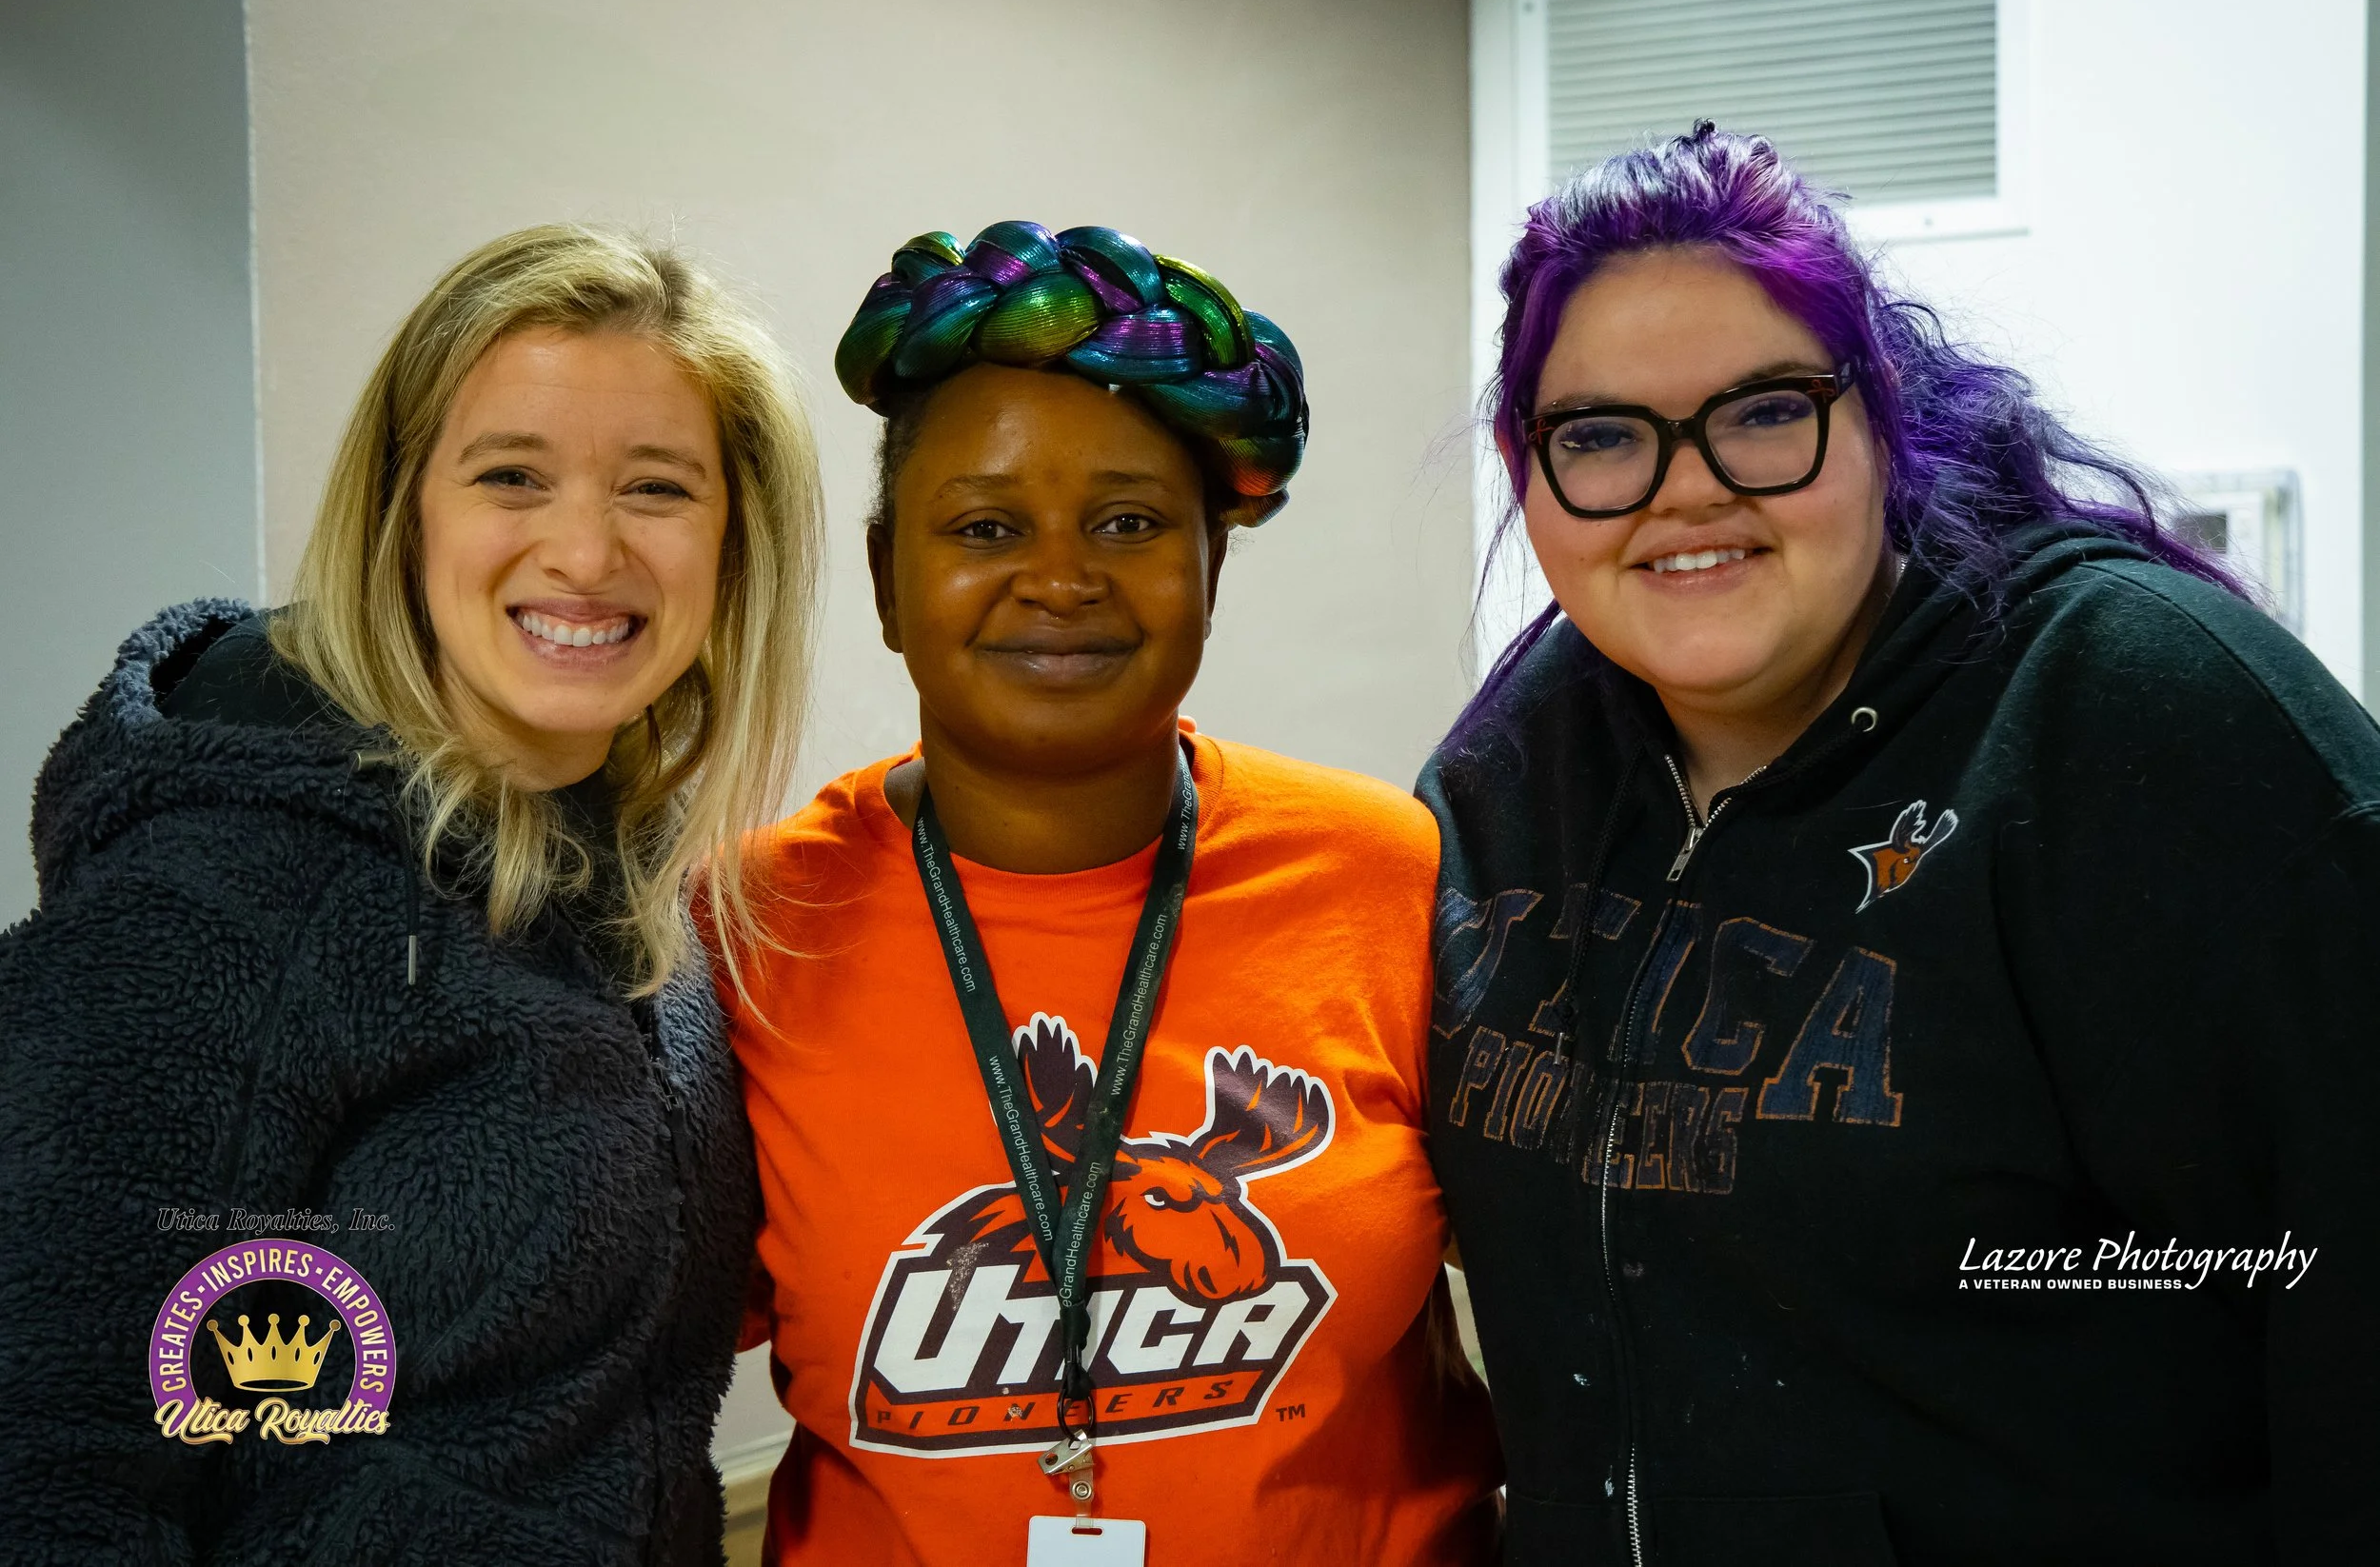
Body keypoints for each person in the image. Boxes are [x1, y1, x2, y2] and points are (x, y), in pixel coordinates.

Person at [1420, 125, 2377, 1566]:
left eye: (1761, 412)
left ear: (1880, 412)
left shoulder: (2143, 719)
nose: (1686, 489)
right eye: (1603, 434)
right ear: (1529, 467)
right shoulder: (1514, 763)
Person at [0, 223, 823, 1564]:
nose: (584, 550)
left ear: (735, 541)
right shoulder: (216, 898)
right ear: (405, 510)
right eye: (512, 475)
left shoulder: (636, 889)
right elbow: (42, 1460)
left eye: (657, 488)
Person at [720, 221, 1500, 1566]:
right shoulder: (743, 932)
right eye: (986, 525)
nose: (1063, 575)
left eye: (1131, 522)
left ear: (1212, 565)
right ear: (885, 580)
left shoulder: (1395, 878)